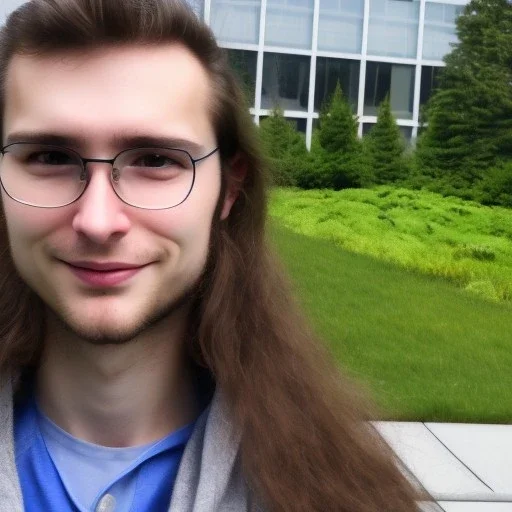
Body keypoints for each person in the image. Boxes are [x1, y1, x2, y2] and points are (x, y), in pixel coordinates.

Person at [0, 0, 427, 510]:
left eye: (156, 160)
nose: (97, 220)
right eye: (50, 157)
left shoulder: (340, 492)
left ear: (229, 188)